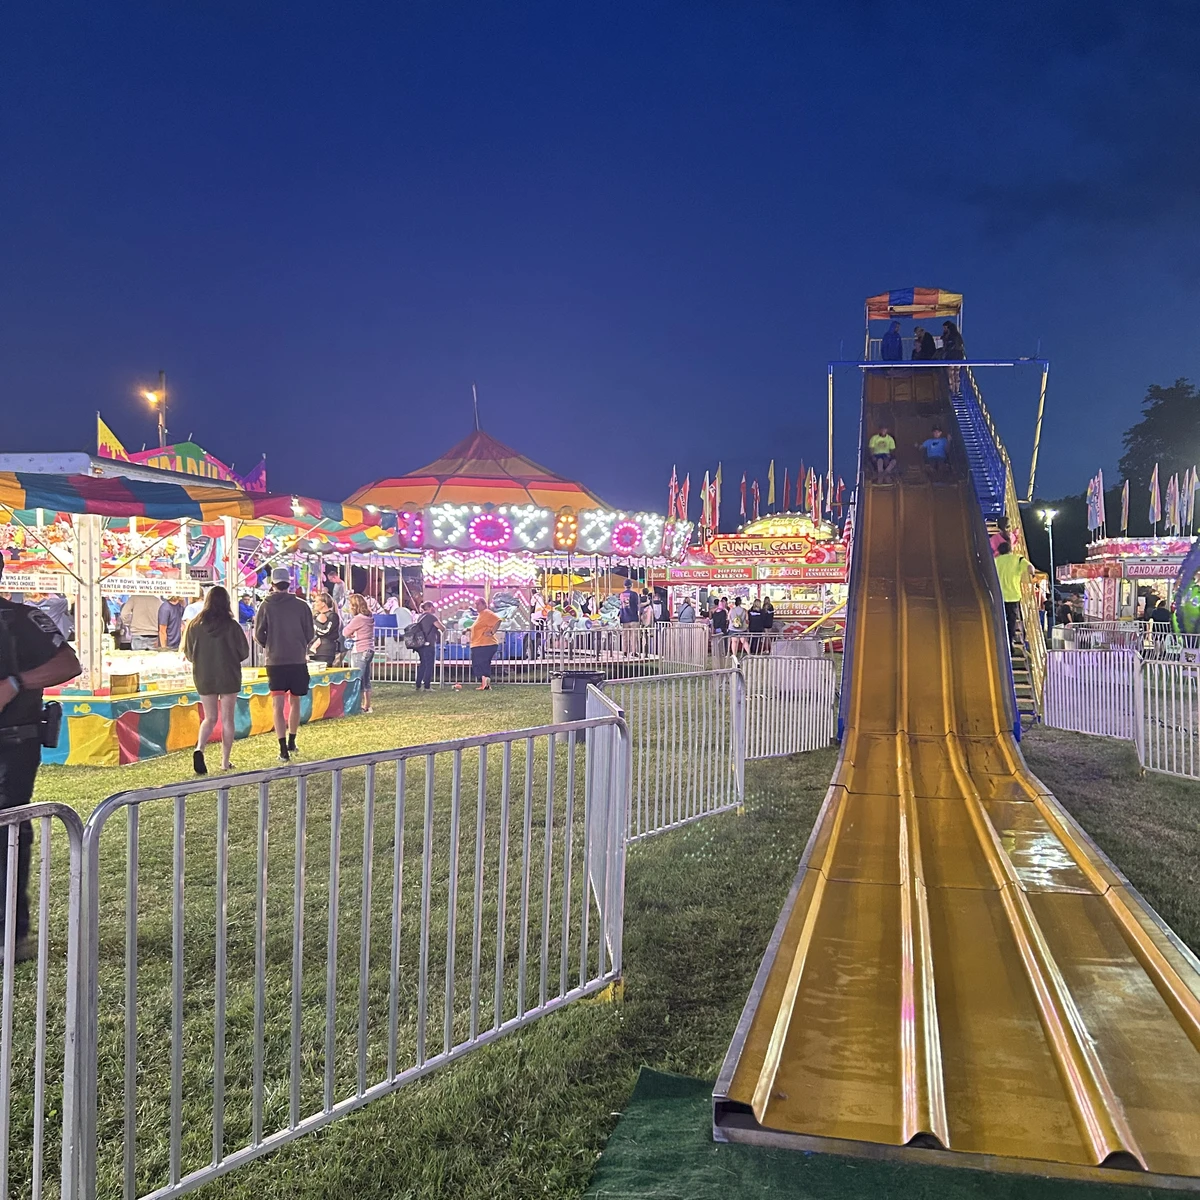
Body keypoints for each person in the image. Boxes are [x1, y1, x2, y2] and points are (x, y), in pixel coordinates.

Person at [0, 557, 82, 960]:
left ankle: (10, 936)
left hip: (11, 744)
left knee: (7, 834)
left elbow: (68, 663)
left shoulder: (21, 620)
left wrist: (16, 684)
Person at [183, 585, 249, 775]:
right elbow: (244, 652)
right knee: (227, 719)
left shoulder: (194, 625)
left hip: (204, 675)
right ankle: (224, 762)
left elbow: (188, 654)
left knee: (210, 717)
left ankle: (199, 748)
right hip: (229, 675)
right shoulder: (232, 626)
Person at [254, 567, 315, 762]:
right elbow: (310, 633)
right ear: (289, 584)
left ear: (272, 584)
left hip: (275, 660)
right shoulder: (302, 605)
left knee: (277, 705)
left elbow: (258, 634)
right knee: (295, 701)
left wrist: (270, 645)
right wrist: (299, 645)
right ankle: (292, 740)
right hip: (297, 660)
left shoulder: (266, 605)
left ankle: (282, 748)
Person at [343, 593, 377, 713]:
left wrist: (351, 633)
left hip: (360, 649)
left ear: (354, 606)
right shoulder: (369, 617)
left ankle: (356, 705)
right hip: (370, 649)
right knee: (365, 678)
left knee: (357, 678)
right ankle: (367, 705)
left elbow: (345, 632)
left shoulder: (358, 619)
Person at [994, 543, 1032, 646]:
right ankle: (1010, 641)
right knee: (1012, 620)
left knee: (999, 619)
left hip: (999, 596)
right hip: (1013, 596)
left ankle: (999, 640)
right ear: (1010, 550)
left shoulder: (995, 561)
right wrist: (1031, 573)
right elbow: (1029, 567)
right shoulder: (1018, 559)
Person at [468, 600, 502, 691]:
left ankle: (485, 682)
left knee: (480, 664)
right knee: (481, 664)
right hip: (480, 644)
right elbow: (479, 626)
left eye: (478, 604)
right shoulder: (481, 615)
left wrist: (492, 632)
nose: (476, 606)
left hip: (484, 644)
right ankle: (485, 683)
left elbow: (498, 621)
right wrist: (469, 629)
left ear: (484, 604)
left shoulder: (487, 613)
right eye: (475, 604)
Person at [411, 601, 442, 691]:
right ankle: (427, 686)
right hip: (429, 643)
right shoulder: (431, 617)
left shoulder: (420, 617)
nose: (434, 609)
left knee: (423, 664)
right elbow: (441, 627)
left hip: (421, 644)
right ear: (429, 607)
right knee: (429, 665)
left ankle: (418, 684)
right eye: (433, 607)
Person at [309, 592, 342, 667]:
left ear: (323, 603)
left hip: (326, 652)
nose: (314, 603)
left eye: (317, 601)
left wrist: (313, 622)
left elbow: (324, 631)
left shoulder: (332, 616)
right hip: (315, 651)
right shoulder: (316, 616)